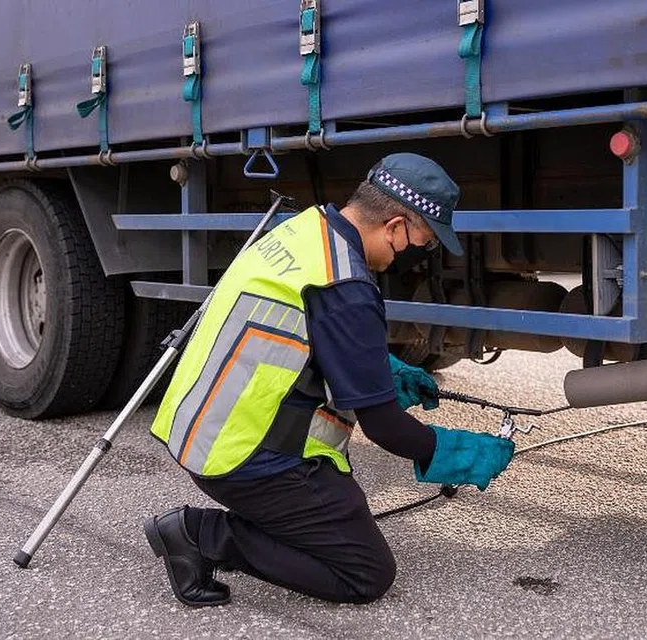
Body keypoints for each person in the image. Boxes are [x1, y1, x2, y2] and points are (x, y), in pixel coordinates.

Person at [143, 153, 515, 607]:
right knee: (366, 572)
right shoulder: (347, 286)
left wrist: (385, 373)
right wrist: (461, 453)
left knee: (339, 518)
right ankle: (201, 535)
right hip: (242, 459)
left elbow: (306, 337)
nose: (410, 255)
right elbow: (384, 427)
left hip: (201, 432)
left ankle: (252, 520)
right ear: (395, 225)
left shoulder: (308, 231)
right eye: (418, 243)